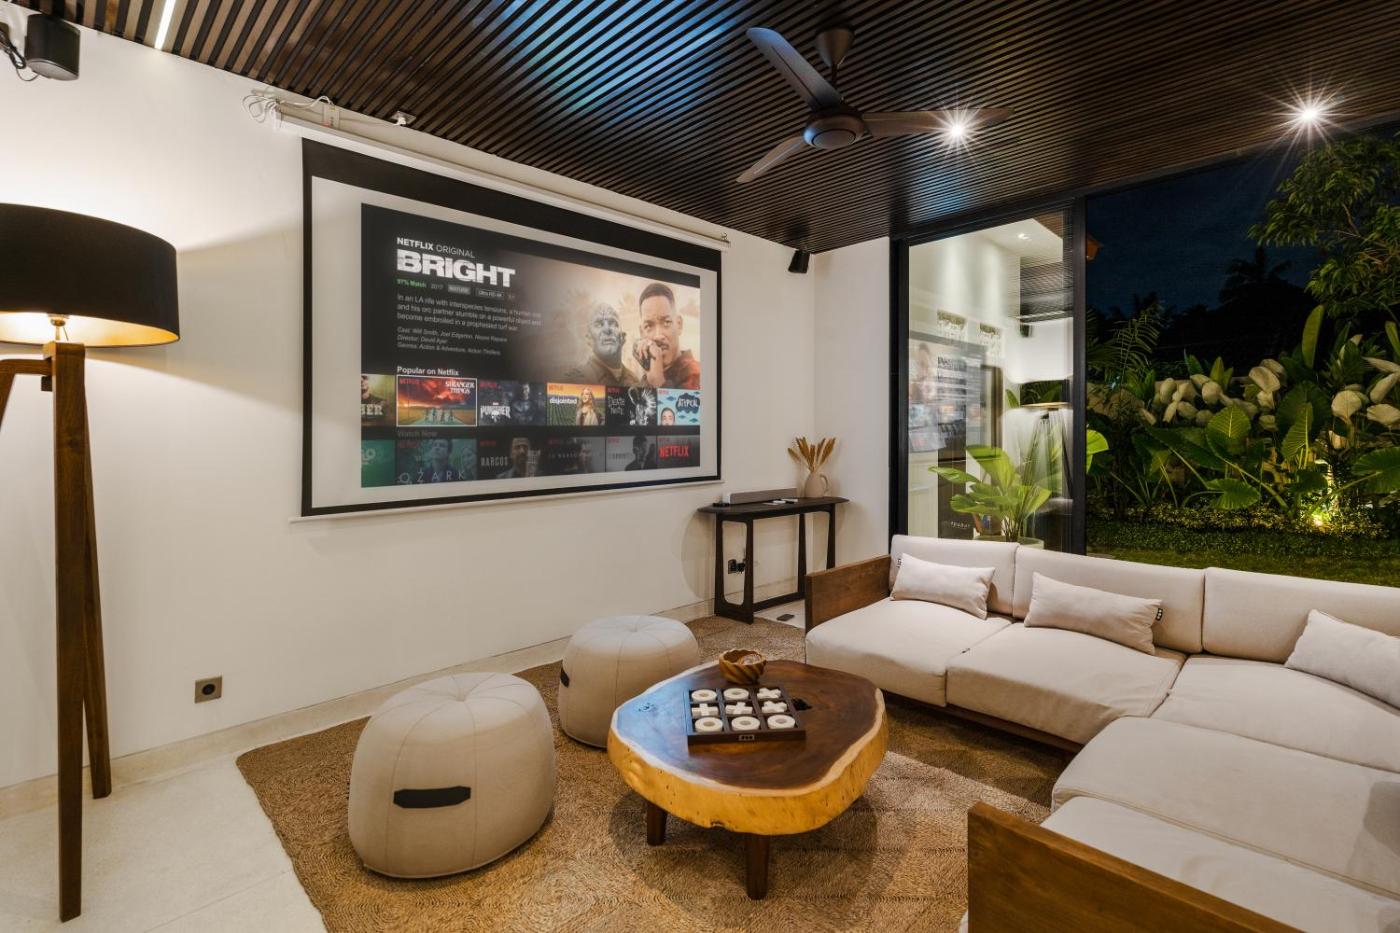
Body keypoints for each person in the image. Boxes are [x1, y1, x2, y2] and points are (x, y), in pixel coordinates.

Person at [633, 282, 700, 389]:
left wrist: (657, 382)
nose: (658, 336)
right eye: (649, 326)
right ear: (641, 333)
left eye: (666, 322)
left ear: (679, 325)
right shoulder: (646, 377)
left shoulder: (696, 375)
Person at [563, 303, 639, 386]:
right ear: (589, 339)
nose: (607, 329)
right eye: (598, 325)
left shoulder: (635, 381)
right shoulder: (572, 381)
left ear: (623, 337)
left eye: (613, 323)